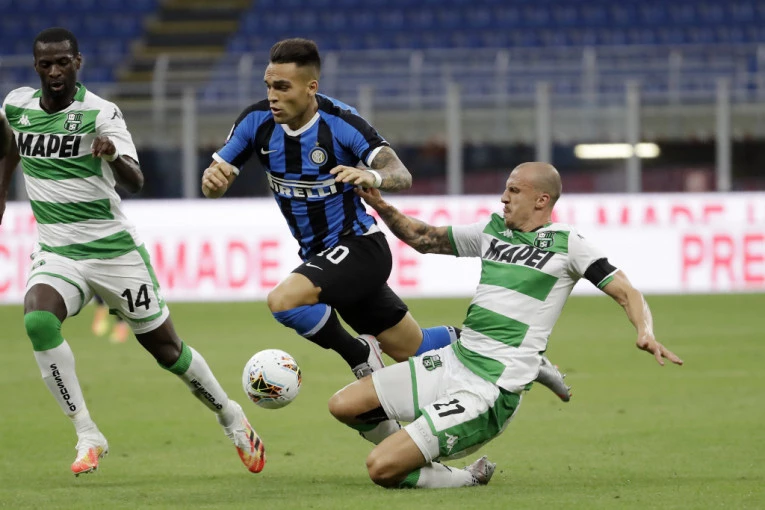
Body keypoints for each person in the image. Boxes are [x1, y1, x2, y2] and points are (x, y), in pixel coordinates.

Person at [201, 40, 570, 444]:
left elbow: (400, 174)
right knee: (413, 348)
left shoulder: (341, 122)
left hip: (361, 247)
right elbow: (216, 179)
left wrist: (371, 175)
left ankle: (359, 354)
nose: (272, 95)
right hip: (323, 258)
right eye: (269, 85)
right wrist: (213, 183)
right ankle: (524, 359)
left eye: (283, 87)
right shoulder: (256, 121)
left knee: (284, 301)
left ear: (311, 87)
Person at [0, 28, 265, 476]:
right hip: (57, 250)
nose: (55, 71)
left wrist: (111, 156)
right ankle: (87, 433)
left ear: (77, 62)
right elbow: (9, 145)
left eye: (63, 62)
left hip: (113, 253)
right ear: (36, 67)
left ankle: (229, 415)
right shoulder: (16, 106)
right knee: (38, 321)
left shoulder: (101, 113)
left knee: (167, 351)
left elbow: (136, 180)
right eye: (46, 64)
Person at [328, 162, 684, 489]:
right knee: (343, 405)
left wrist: (645, 331)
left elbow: (626, 291)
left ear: (541, 200)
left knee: (380, 468)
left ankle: (466, 477)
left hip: (489, 387)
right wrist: (381, 205)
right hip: (455, 360)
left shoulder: (568, 244)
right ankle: (409, 448)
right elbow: (425, 238)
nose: (503, 197)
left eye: (513, 190)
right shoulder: (493, 230)